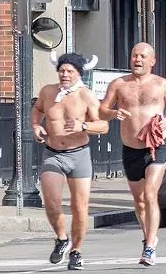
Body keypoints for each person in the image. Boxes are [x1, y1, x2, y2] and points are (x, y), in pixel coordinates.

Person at [98, 43, 166, 266]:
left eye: (143, 56)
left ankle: (150, 247)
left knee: (149, 194)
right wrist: (113, 112)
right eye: (134, 55)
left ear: (152, 61)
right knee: (139, 201)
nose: (137, 59)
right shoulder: (119, 84)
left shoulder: (162, 85)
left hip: (155, 146)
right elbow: (101, 110)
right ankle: (147, 238)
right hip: (130, 149)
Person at [33, 53, 107, 270]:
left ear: (78, 73)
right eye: (62, 70)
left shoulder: (86, 96)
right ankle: (62, 238)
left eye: (70, 71)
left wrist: (83, 126)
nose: (65, 74)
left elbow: (103, 126)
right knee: (52, 202)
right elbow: (37, 110)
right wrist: (36, 126)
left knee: (80, 207)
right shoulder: (48, 92)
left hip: (79, 155)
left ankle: (76, 250)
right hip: (53, 153)